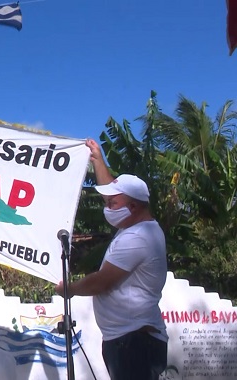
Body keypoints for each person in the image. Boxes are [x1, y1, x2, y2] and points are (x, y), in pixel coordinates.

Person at [55, 139, 168, 380]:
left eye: (112, 203)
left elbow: (102, 282)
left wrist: (69, 289)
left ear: (133, 206)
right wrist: (97, 159)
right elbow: (112, 189)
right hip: (127, 339)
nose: (108, 208)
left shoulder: (138, 237)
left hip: (135, 342)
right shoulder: (134, 225)